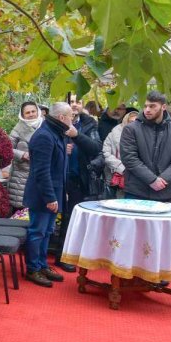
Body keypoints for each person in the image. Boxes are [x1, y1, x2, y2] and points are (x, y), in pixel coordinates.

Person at [23, 102, 75, 286]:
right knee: (37, 232)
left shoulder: (56, 133)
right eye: (71, 116)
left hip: (54, 193)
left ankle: (42, 264)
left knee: (47, 232)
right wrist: (50, 197)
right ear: (62, 117)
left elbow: (58, 167)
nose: (72, 119)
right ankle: (33, 269)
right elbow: (41, 171)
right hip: (43, 196)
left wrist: (61, 193)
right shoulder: (44, 136)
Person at [57, 97, 103, 267]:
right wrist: (63, 148)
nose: (75, 105)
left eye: (79, 102)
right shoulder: (57, 121)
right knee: (58, 217)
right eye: (72, 101)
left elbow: (96, 148)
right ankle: (60, 256)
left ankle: (72, 256)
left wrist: (77, 136)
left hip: (79, 177)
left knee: (73, 219)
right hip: (59, 176)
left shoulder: (89, 123)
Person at [119, 90, 171, 202]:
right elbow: (129, 158)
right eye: (145, 106)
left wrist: (163, 179)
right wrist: (151, 180)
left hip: (165, 192)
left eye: (152, 106)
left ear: (163, 107)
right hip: (136, 192)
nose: (147, 110)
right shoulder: (131, 129)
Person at [6, 101, 43, 210]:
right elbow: (7, 148)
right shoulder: (18, 128)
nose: (31, 114)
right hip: (21, 174)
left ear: (38, 111)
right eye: (27, 112)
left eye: (33, 111)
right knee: (22, 208)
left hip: (42, 172)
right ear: (22, 115)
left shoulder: (46, 125)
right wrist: (22, 155)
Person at [101, 108, 139, 197]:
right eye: (131, 121)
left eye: (136, 122)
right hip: (115, 174)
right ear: (126, 121)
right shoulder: (114, 133)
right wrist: (120, 167)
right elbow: (105, 153)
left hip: (137, 177)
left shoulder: (144, 135)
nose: (133, 124)